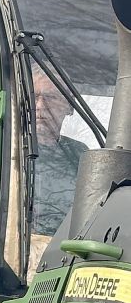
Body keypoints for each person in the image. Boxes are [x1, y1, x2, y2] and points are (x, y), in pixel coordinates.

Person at [30, 71, 88, 237]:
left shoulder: (80, 155)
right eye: (33, 97)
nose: (40, 106)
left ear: (69, 106)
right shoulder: (6, 153)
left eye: (51, 98)